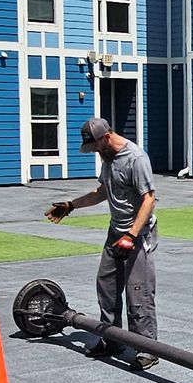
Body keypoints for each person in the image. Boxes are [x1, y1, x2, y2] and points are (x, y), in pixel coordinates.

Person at [48, 118, 159, 366]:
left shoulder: (136, 158)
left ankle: (147, 348)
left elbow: (149, 200)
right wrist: (70, 205)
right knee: (106, 287)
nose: (96, 151)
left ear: (106, 136)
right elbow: (102, 192)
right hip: (115, 232)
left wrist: (131, 235)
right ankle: (112, 339)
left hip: (137, 236)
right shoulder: (108, 158)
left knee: (138, 292)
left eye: (97, 146)